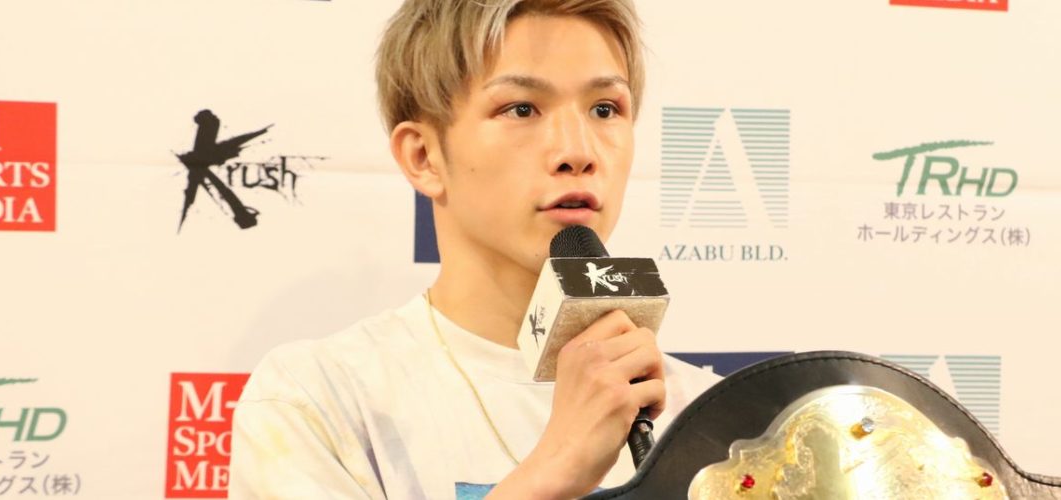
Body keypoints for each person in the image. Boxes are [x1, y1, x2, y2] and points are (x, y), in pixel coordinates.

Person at [229, 1, 721, 498]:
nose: (578, 152)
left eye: (604, 109)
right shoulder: (317, 400)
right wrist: (557, 465)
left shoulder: (716, 421)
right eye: (522, 109)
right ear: (424, 156)